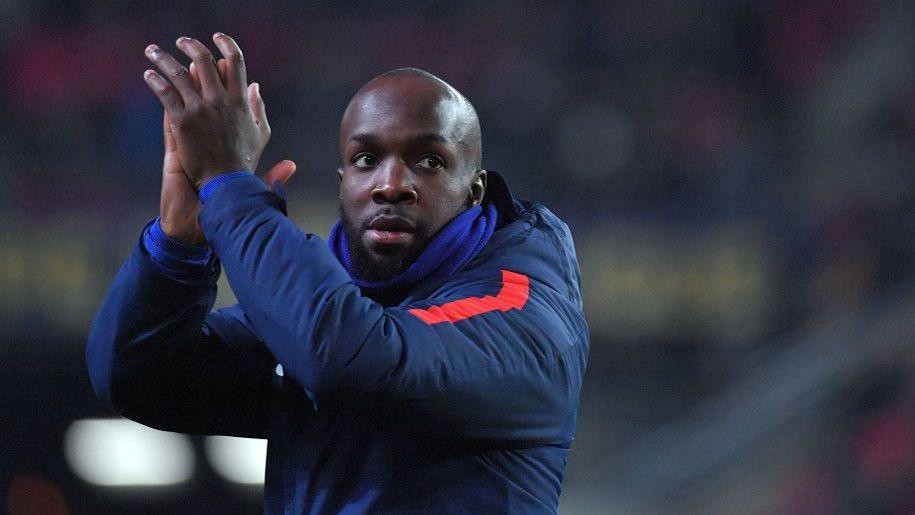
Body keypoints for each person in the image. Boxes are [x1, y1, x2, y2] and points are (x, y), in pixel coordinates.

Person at [87, 32, 589, 514]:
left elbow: (355, 358)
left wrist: (228, 185)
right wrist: (178, 247)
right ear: (343, 181)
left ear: (474, 191)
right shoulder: (332, 311)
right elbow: (139, 376)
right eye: (367, 158)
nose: (391, 185)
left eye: (430, 161)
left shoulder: (525, 316)